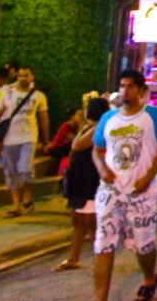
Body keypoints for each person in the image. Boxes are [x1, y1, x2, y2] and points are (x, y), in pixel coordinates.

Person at [91, 70, 157, 301]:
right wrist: (103, 170)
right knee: (103, 243)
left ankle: (149, 276)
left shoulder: (154, 116)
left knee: (143, 244)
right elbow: (97, 150)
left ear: (140, 90)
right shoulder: (109, 118)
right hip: (111, 191)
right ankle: (100, 297)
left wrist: (147, 178)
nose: (125, 90)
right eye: (122, 85)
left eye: (130, 86)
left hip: (142, 193)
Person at [55, 97, 111, 272]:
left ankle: (98, 261)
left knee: (91, 222)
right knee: (78, 220)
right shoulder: (89, 128)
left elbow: (77, 145)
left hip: (90, 180)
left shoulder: (97, 129)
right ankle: (74, 258)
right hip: (80, 179)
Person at [0, 65, 50, 217]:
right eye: (20, 76)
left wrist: (46, 139)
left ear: (32, 77)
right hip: (9, 138)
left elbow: (43, 118)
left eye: (26, 76)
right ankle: (16, 206)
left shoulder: (38, 96)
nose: (22, 78)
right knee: (11, 173)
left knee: (25, 170)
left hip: (28, 137)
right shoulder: (9, 92)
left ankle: (28, 196)